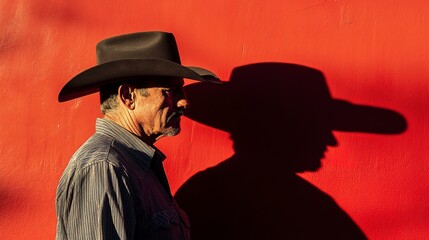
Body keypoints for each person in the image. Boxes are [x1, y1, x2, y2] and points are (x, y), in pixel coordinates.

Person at [55, 31, 220, 240]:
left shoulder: (131, 164)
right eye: (169, 91)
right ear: (128, 96)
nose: (184, 102)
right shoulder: (104, 167)